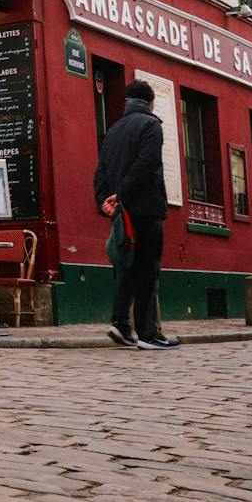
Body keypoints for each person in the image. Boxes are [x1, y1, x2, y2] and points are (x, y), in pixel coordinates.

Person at [94, 79, 178, 349]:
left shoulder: (114, 130)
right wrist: (123, 195)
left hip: (122, 212)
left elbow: (101, 171)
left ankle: (120, 323)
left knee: (128, 267)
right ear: (150, 102)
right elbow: (146, 162)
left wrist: (105, 202)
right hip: (145, 208)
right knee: (148, 270)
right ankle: (148, 334)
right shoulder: (151, 125)